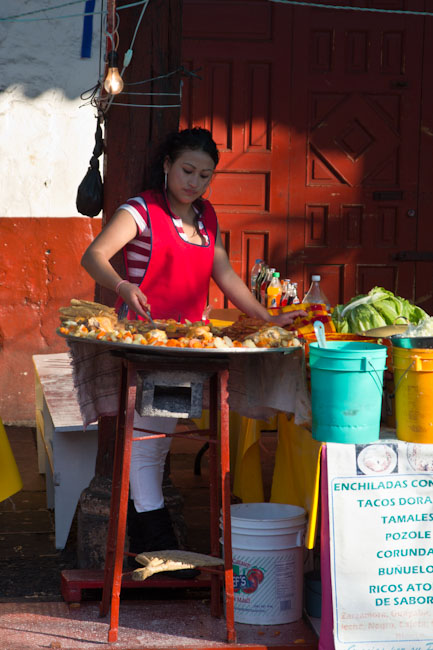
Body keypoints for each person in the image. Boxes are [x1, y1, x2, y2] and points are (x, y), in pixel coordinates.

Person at [81, 127, 305, 562]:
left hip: (191, 344)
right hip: (147, 343)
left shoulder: (206, 218)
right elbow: (94, 255)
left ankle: (156, 541)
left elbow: (223, 273)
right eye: (187, 170)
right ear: (166, 165)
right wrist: (123, 286)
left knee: (160, 440)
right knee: (149, 440)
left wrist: (267, 317)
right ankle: (158, 542)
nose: (194, 182)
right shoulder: (140, 210)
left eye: (204, 175)